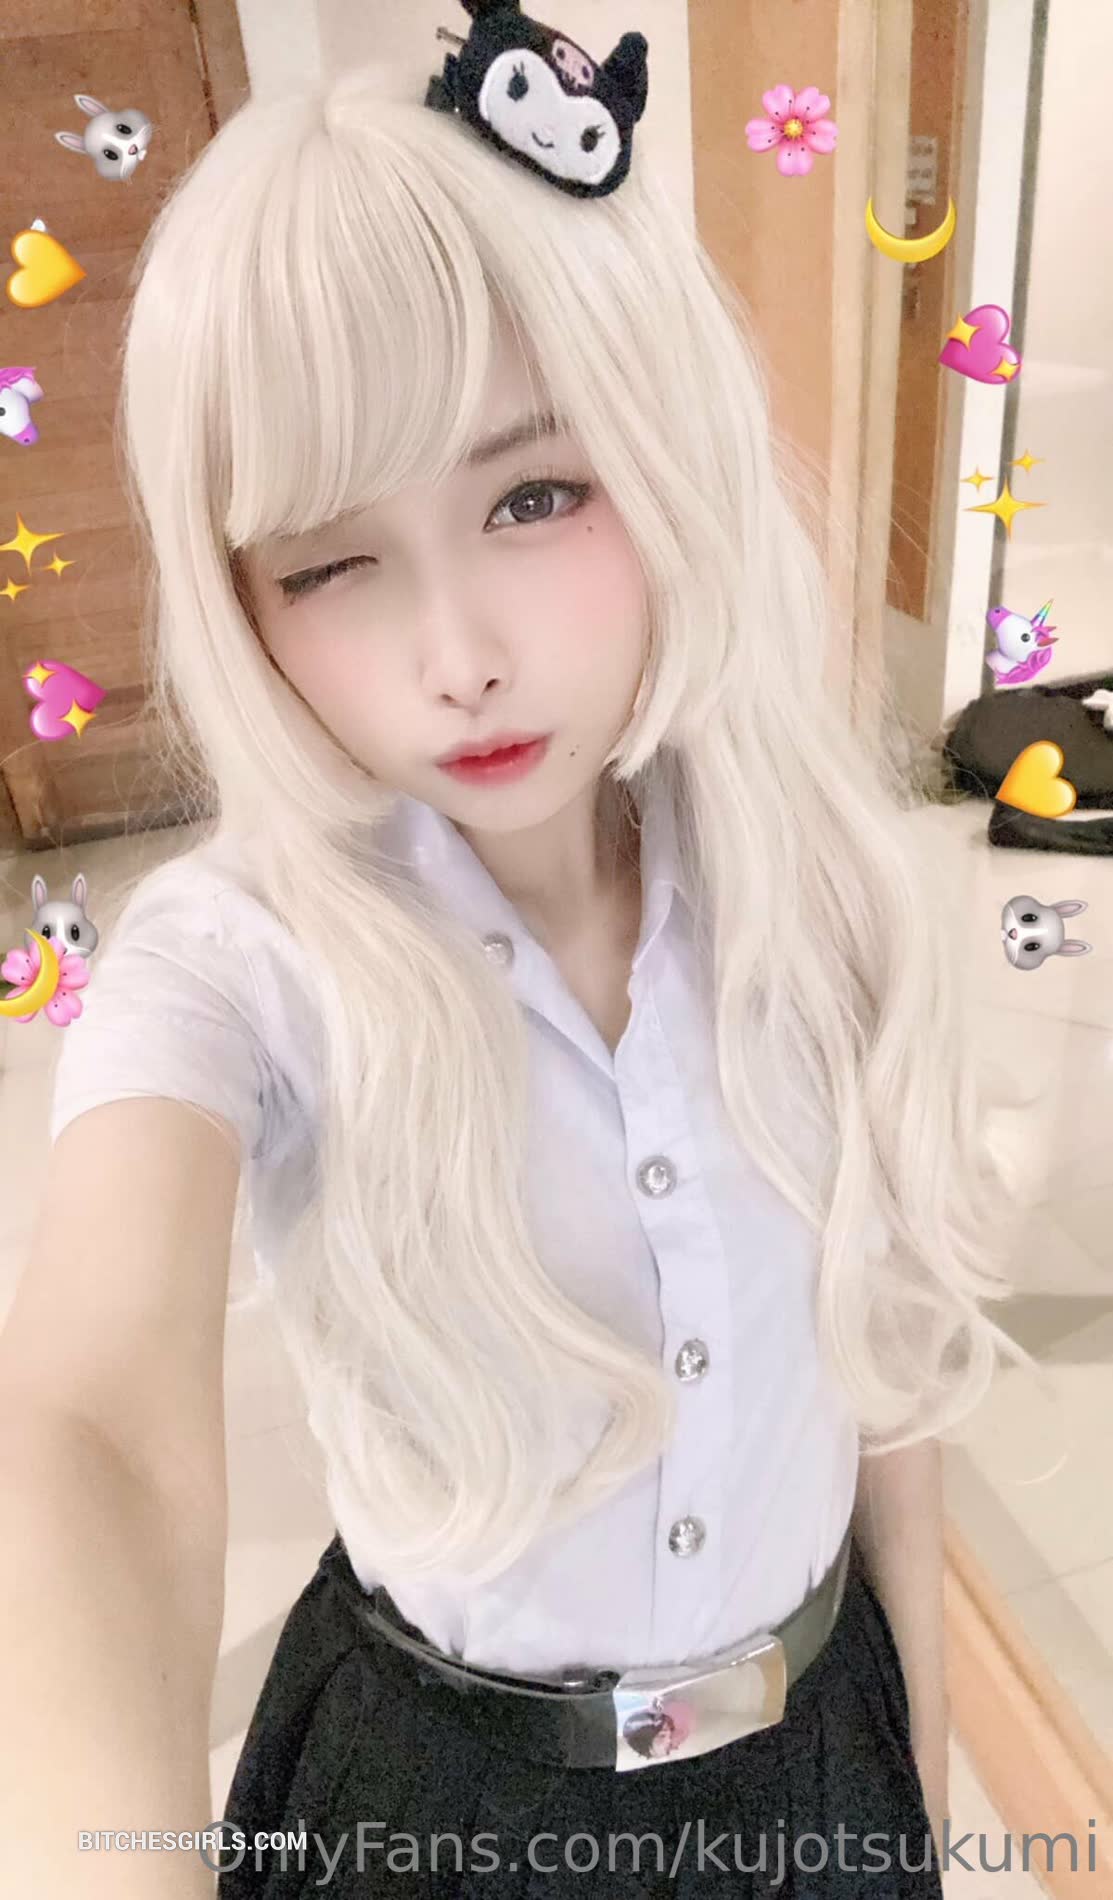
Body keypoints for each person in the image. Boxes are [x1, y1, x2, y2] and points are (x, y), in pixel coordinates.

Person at [0, 22, 1034, 1900]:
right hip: (441, 1804)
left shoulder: (814, 879)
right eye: (329, 564)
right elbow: (92, 1431)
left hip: (820, 1755)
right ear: (242, 604)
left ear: (659, 444)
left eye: (533, 496)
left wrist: (926, 1794)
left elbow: (881, 1387)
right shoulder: (236, 961)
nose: (456, 654)